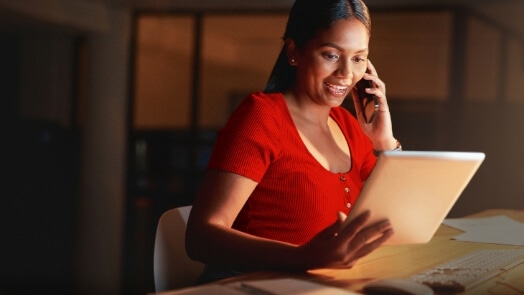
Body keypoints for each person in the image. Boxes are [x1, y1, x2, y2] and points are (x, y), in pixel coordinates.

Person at [186, 0, 400, 284]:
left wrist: (385, 143)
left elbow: (398, 218)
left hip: (324, 285)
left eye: (359, 58)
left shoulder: (349, 126)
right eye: (331, 55)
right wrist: (303, 257)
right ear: (294, 52)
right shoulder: (261, 116)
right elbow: (201, 237)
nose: (347, 73)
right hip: (256, 285)